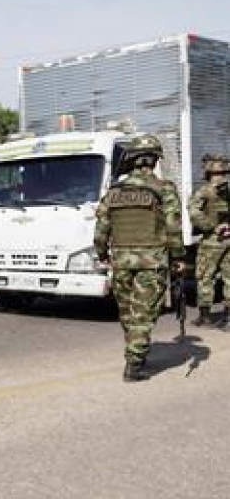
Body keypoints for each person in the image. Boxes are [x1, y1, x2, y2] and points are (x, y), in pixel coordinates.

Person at [93, 134, 184, 382]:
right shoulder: (164, 189)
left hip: (121, 261)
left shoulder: (115, 191)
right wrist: (178, 257)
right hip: (151, 262)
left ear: (131, 160)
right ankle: (134, 364)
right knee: (142, 314)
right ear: (154, 160)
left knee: (128, 314)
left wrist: (102, 253)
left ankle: (136, 351)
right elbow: (174, 227)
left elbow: (101, 227)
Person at [187, 153, 230, 327]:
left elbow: (194, 213)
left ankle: (204, 316)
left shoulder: (204, 190)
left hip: (212, 241)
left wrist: (212, 227)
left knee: (205, 277)